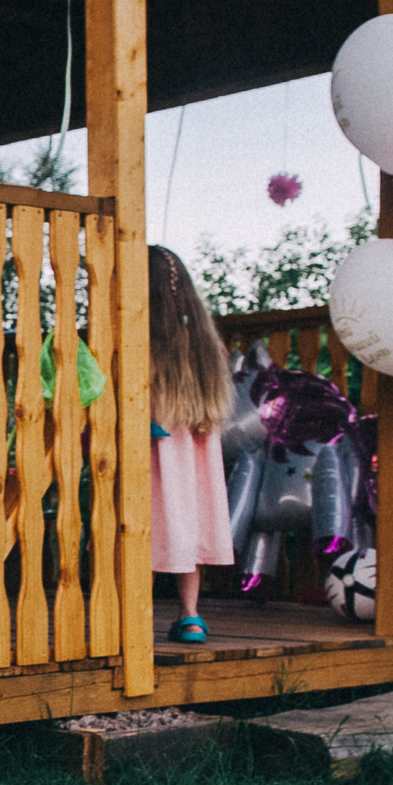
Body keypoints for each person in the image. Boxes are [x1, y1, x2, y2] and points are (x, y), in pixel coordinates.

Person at [147, 246, 236, 644]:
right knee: (187, 528)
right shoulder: (201, 339)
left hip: (154, 451)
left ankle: (136, 612)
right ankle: (190, 616)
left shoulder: (142, 339)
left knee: (145, 527)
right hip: (195, 453)